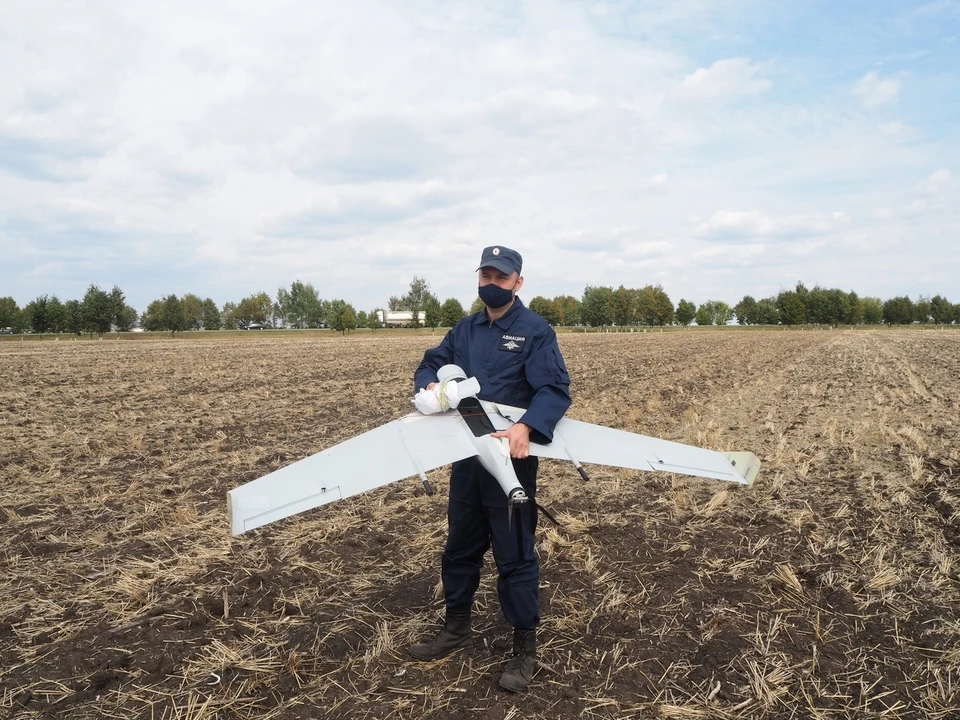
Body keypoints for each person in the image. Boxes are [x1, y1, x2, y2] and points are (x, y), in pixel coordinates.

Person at [408, 245, 571, 693]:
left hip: (510, 463)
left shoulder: (536, 331)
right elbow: (431, 363)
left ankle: (524, 649)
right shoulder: (466, 328)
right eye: (486, 276)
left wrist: (528, 426)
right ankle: (456, 628)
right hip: (465, 457)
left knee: (515, 555)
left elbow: (555, 390)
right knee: (459, 547)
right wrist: (430, 389)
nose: (491, 284)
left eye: (501, 278)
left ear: (518, 282)